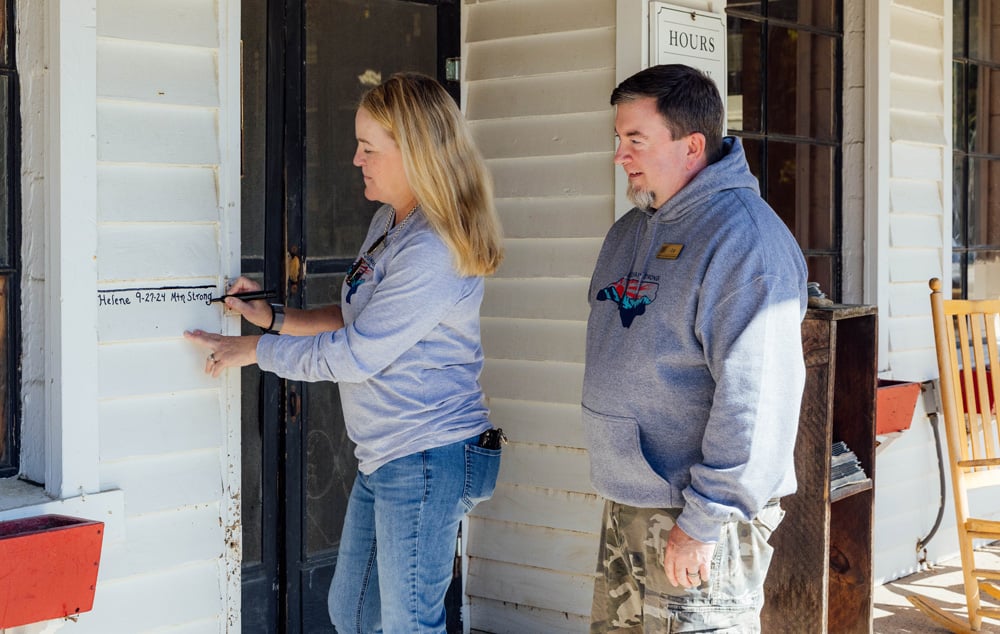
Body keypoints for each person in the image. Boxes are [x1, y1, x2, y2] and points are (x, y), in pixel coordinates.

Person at [184, 72, 505, 633]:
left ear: (416, 153)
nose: (356, 159)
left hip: (428, 453)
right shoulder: (390, 222)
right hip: (389, 453)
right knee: (352, 614)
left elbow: (357, 354)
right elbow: (362, 318)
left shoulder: (432, 248)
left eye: (368, 148)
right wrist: (275, 319)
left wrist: (255, 352)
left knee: (408, 624)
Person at [583, 64, 808, 632]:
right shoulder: (629, 232)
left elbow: (756, 399)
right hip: (631, 504)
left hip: (698, 518)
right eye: (619, 139)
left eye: (636, 140)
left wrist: (706, 519)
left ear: (693, 146)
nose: (620, 155)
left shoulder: (745, 240)